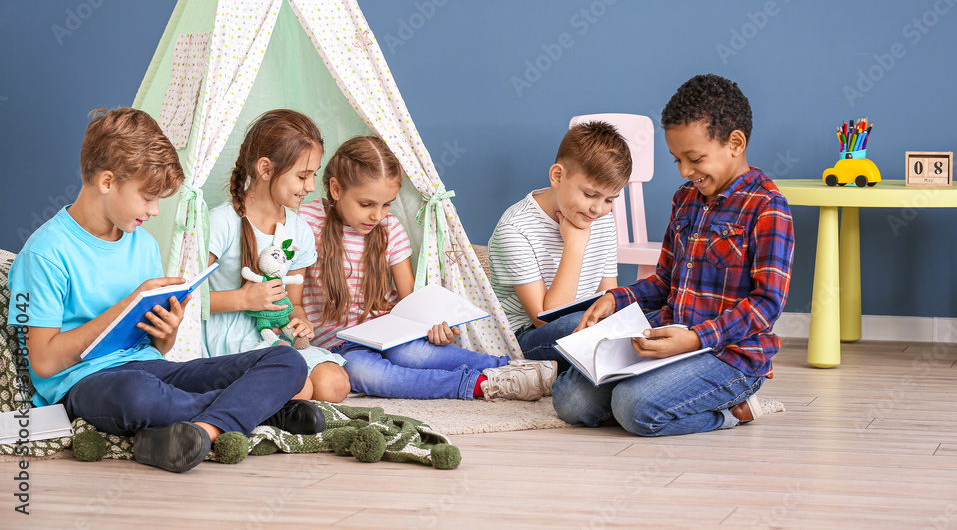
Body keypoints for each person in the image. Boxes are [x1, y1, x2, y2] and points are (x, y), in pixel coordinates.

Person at [8, 108, 323, 474]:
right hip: (88, 385)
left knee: (287, 361)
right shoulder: (44, 253)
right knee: (138, 396)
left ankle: (206, 427)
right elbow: (44, 363)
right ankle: (262, 409)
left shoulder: (142, 244)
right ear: (107, 182)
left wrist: (167, 330)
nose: (156, 211)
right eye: (148, 197)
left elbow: (158, 350)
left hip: (153, 368)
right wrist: (125, 306)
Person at [552, 74, 795, 436]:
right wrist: (615, 297)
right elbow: (665, 279)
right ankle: (660, 390)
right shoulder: (685, 199)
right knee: (569, 401)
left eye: (694, 158)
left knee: (633, 406)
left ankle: (733, 412)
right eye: (676, 159)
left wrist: (697, 339)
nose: (683, 171)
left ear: (735, 142)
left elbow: (766, 304)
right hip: (670, 338)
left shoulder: (767, 207)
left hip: (728, 355)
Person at [299, 135, 555, 401]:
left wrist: (430, 328)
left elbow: (410, 303)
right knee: (369, 374)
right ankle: (481, 385)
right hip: (337, 346)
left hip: (389, 333)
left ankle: (515, 369)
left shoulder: (390, 229)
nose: (377, 215)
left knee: (419, 354)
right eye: (366, 204)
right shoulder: (305, 222)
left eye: (386, 204)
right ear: (336, 189)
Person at [207, 110, 350, 403]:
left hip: (275, 333)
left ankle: (273, 399)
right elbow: (185, 299)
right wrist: (243, 300)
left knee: (334, 385)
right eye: (302, 176)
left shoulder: (299, 229)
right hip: (229, 336)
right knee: (300, 389)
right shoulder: (220, 223)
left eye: (313, 174)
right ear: (265, 168)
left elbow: (294, 303)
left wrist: (300, 322)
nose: (311, 186)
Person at [488, 121, 632, 370]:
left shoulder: (602, 219)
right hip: (526, 336)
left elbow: (608, 295)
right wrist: (575, 246)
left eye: (610, 199)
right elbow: (546, 319)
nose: (598, 209)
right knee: (573, 325)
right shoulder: (515, 228)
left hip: (585, 324)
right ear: (557, 176)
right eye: (589, 194)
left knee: (644, 315)